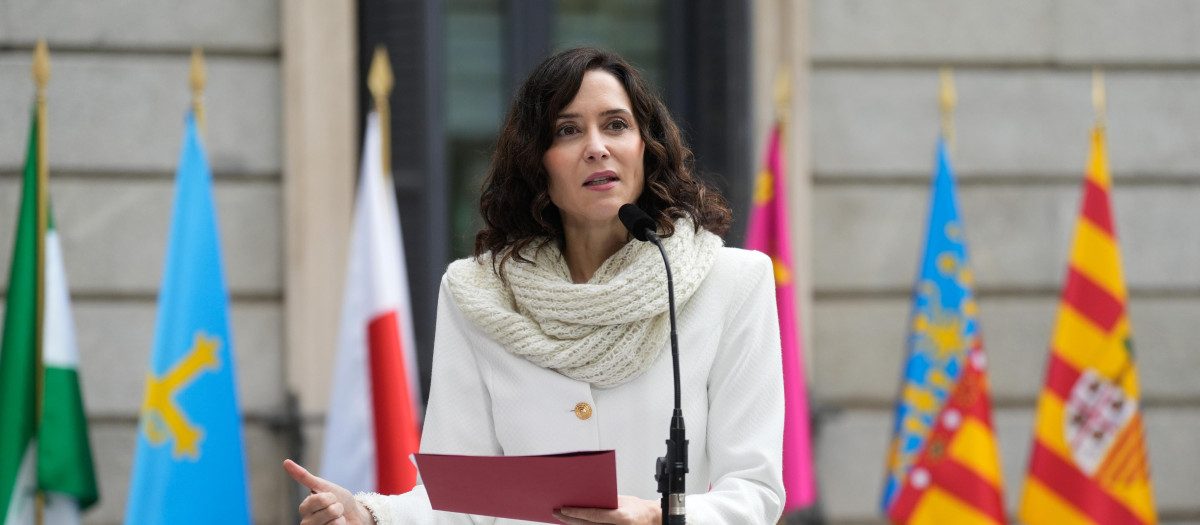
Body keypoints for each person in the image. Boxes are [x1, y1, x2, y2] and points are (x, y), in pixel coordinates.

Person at [285, 47, 785, 524]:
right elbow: (459, 504)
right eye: (568, 131)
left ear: (645, 148)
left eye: (616, 124)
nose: (597, 147)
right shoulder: (477, 293)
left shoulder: (732, 283)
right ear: (537, 162)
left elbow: (755, 491)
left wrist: (660, 517)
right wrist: (370, 515)